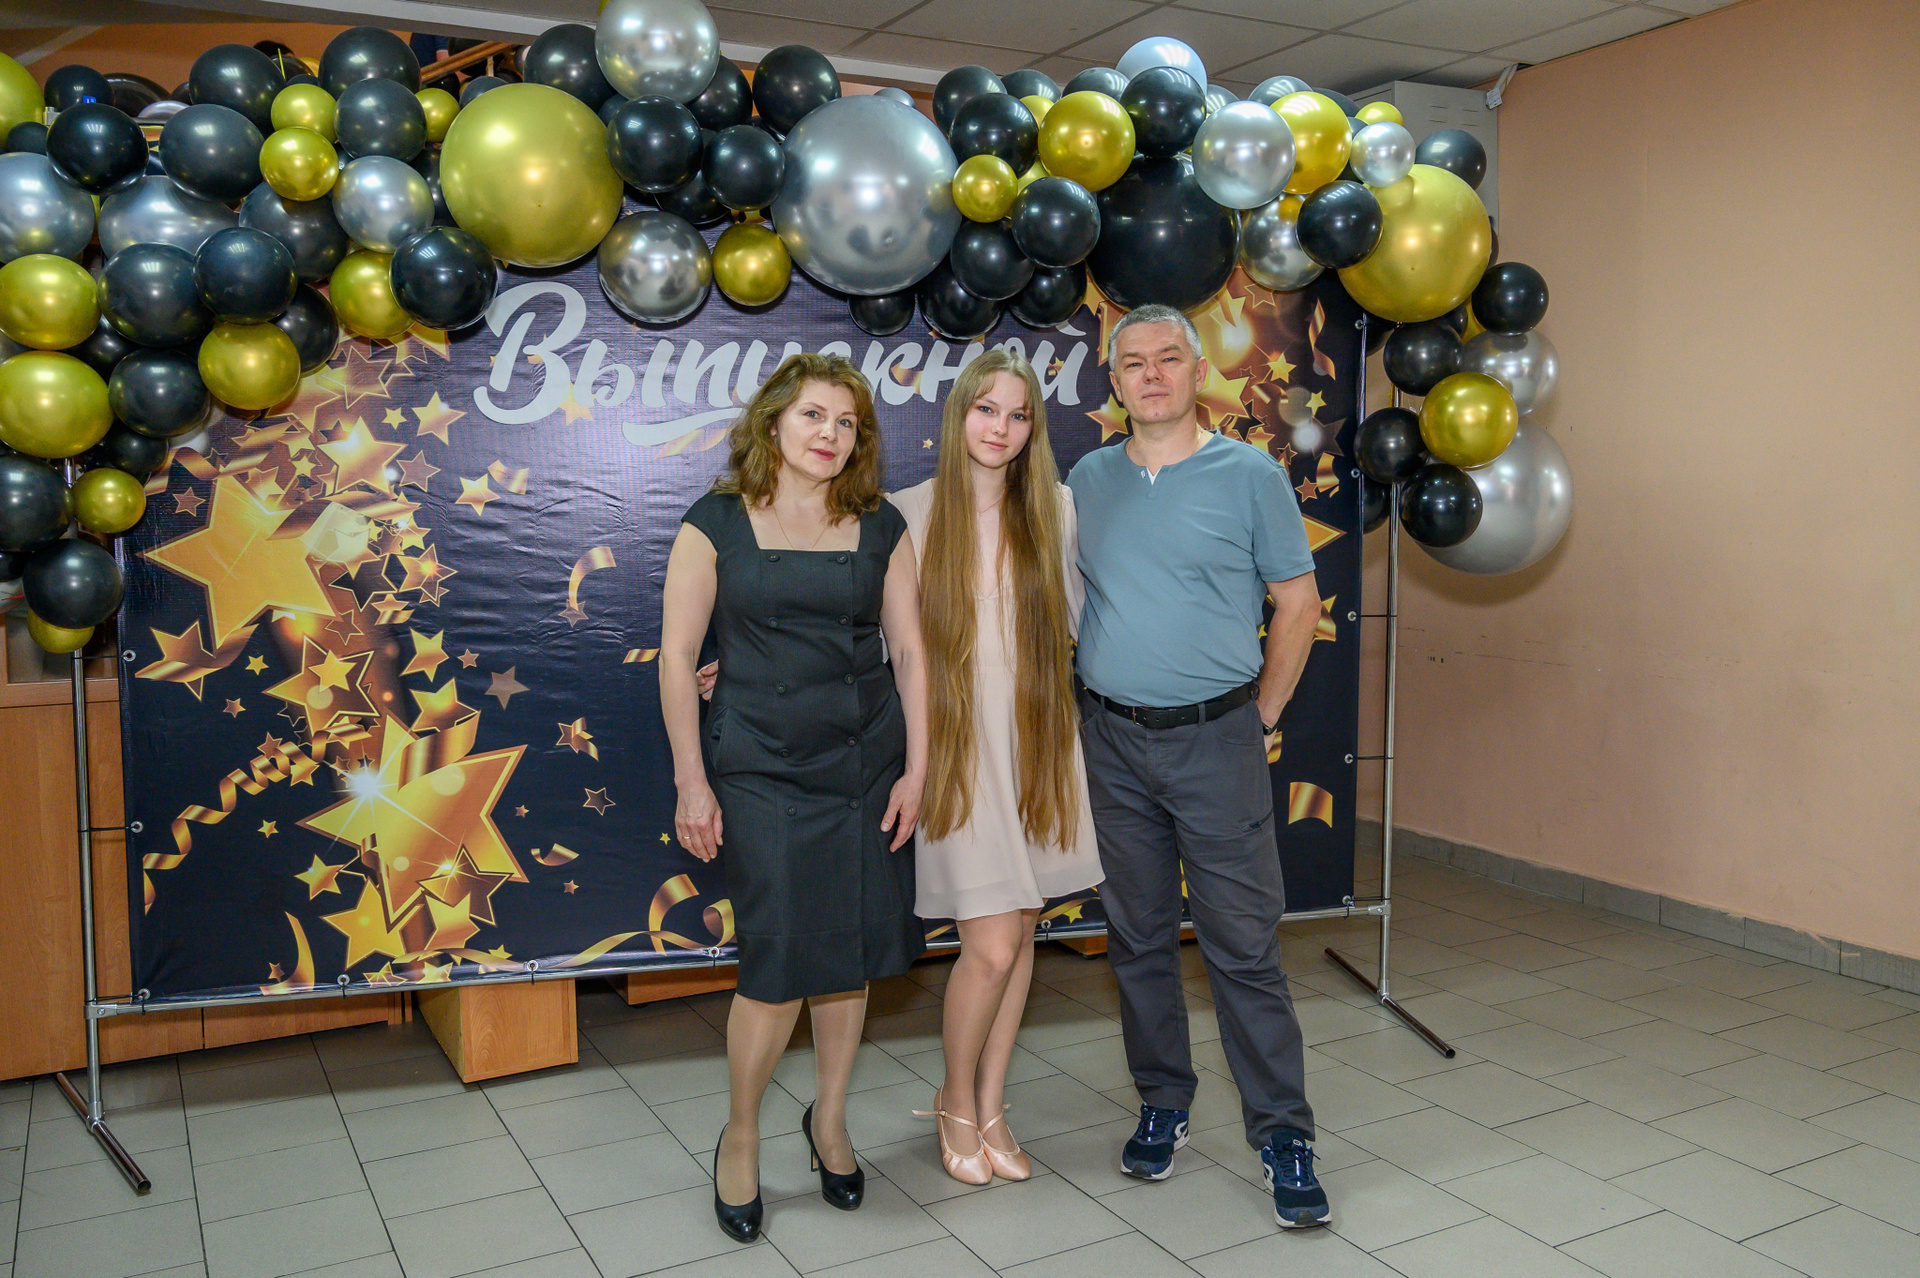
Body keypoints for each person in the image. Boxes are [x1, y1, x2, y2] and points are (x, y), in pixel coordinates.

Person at [1066, 303, 1332, 1228]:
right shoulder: (1088, 479)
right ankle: (1162, 1102)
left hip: (1217, 740)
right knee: (1137, 939)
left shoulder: (1250, 474)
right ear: (1114, 382)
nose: (1151, 374)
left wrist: (1260, 714)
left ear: (1195, 371)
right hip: (1111, 742)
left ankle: (1284, 1135)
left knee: (1243, 948)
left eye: (1168, 358)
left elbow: (1297, 604)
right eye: (1133, 362)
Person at [658, 353, 928, 1244]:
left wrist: (918, 770)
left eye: (847, 422)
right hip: (758, 768)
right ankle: (741, 1134)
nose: (830, 434)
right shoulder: (713, 523)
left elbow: (910, 653)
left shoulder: (882, 523)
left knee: (847, 956)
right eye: (814, 415)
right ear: (773, 421)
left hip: (863, 766)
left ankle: (831, 1121)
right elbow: (677, 658)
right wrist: (691, 781)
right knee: (776, 964)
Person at [890, 350, 1104, 1185]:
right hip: (956, 754)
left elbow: (1093, 619)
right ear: (958, 416)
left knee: (1020, 933)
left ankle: (991, 1105)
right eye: (987, 410)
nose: (1001, 429)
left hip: (1038, 744)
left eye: (1018, 416)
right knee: (988, 944)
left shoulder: (1057, 508)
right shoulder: (908, 513)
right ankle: (953, 1099)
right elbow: (864, 633)